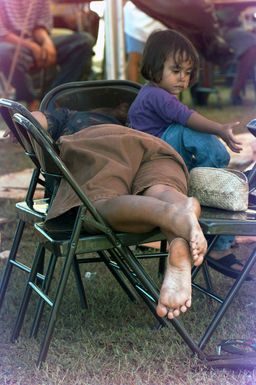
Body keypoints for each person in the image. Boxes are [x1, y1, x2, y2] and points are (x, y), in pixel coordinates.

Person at [31, 109, 208, 320]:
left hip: (98, 146)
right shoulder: (128, 119)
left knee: (99, 206)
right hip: (155, 147)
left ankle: (168, 215)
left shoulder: (68, 118)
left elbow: (36, 118)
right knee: (162, 190)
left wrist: (18, 127)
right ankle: (181, 215)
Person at [128, 29, 243, 172]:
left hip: (152, 150)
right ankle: (211, 169)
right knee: (187, 128)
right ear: (153, 69)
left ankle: (199, 170)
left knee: (185, 127)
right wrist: (219, 129)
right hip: (153, 153)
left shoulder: (150, 91)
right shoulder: (156, 95)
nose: (183, 77)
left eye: (188, 72)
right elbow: (187, 117)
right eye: (176, 71)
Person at [0, 0, 94, 110]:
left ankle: (54, 96)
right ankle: (30, 99)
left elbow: (39, 27)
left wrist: (47, 43)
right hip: (11, 44)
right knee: (3, 51)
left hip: (35, 42)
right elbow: (2, 34)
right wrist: (32, 46)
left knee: (84, 41)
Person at [216, 4, 256, 106]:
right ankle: (236, 92)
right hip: (223, 32)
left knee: (252, 49)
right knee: (252, 46)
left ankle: (236, 92)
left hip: (234, 31)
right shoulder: (221, 7)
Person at [124, 1, 166, 82]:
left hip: (160, 20)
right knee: (134, 59)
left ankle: (157, 92)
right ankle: (133, 91)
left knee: (160, 62)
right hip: (135, 20)